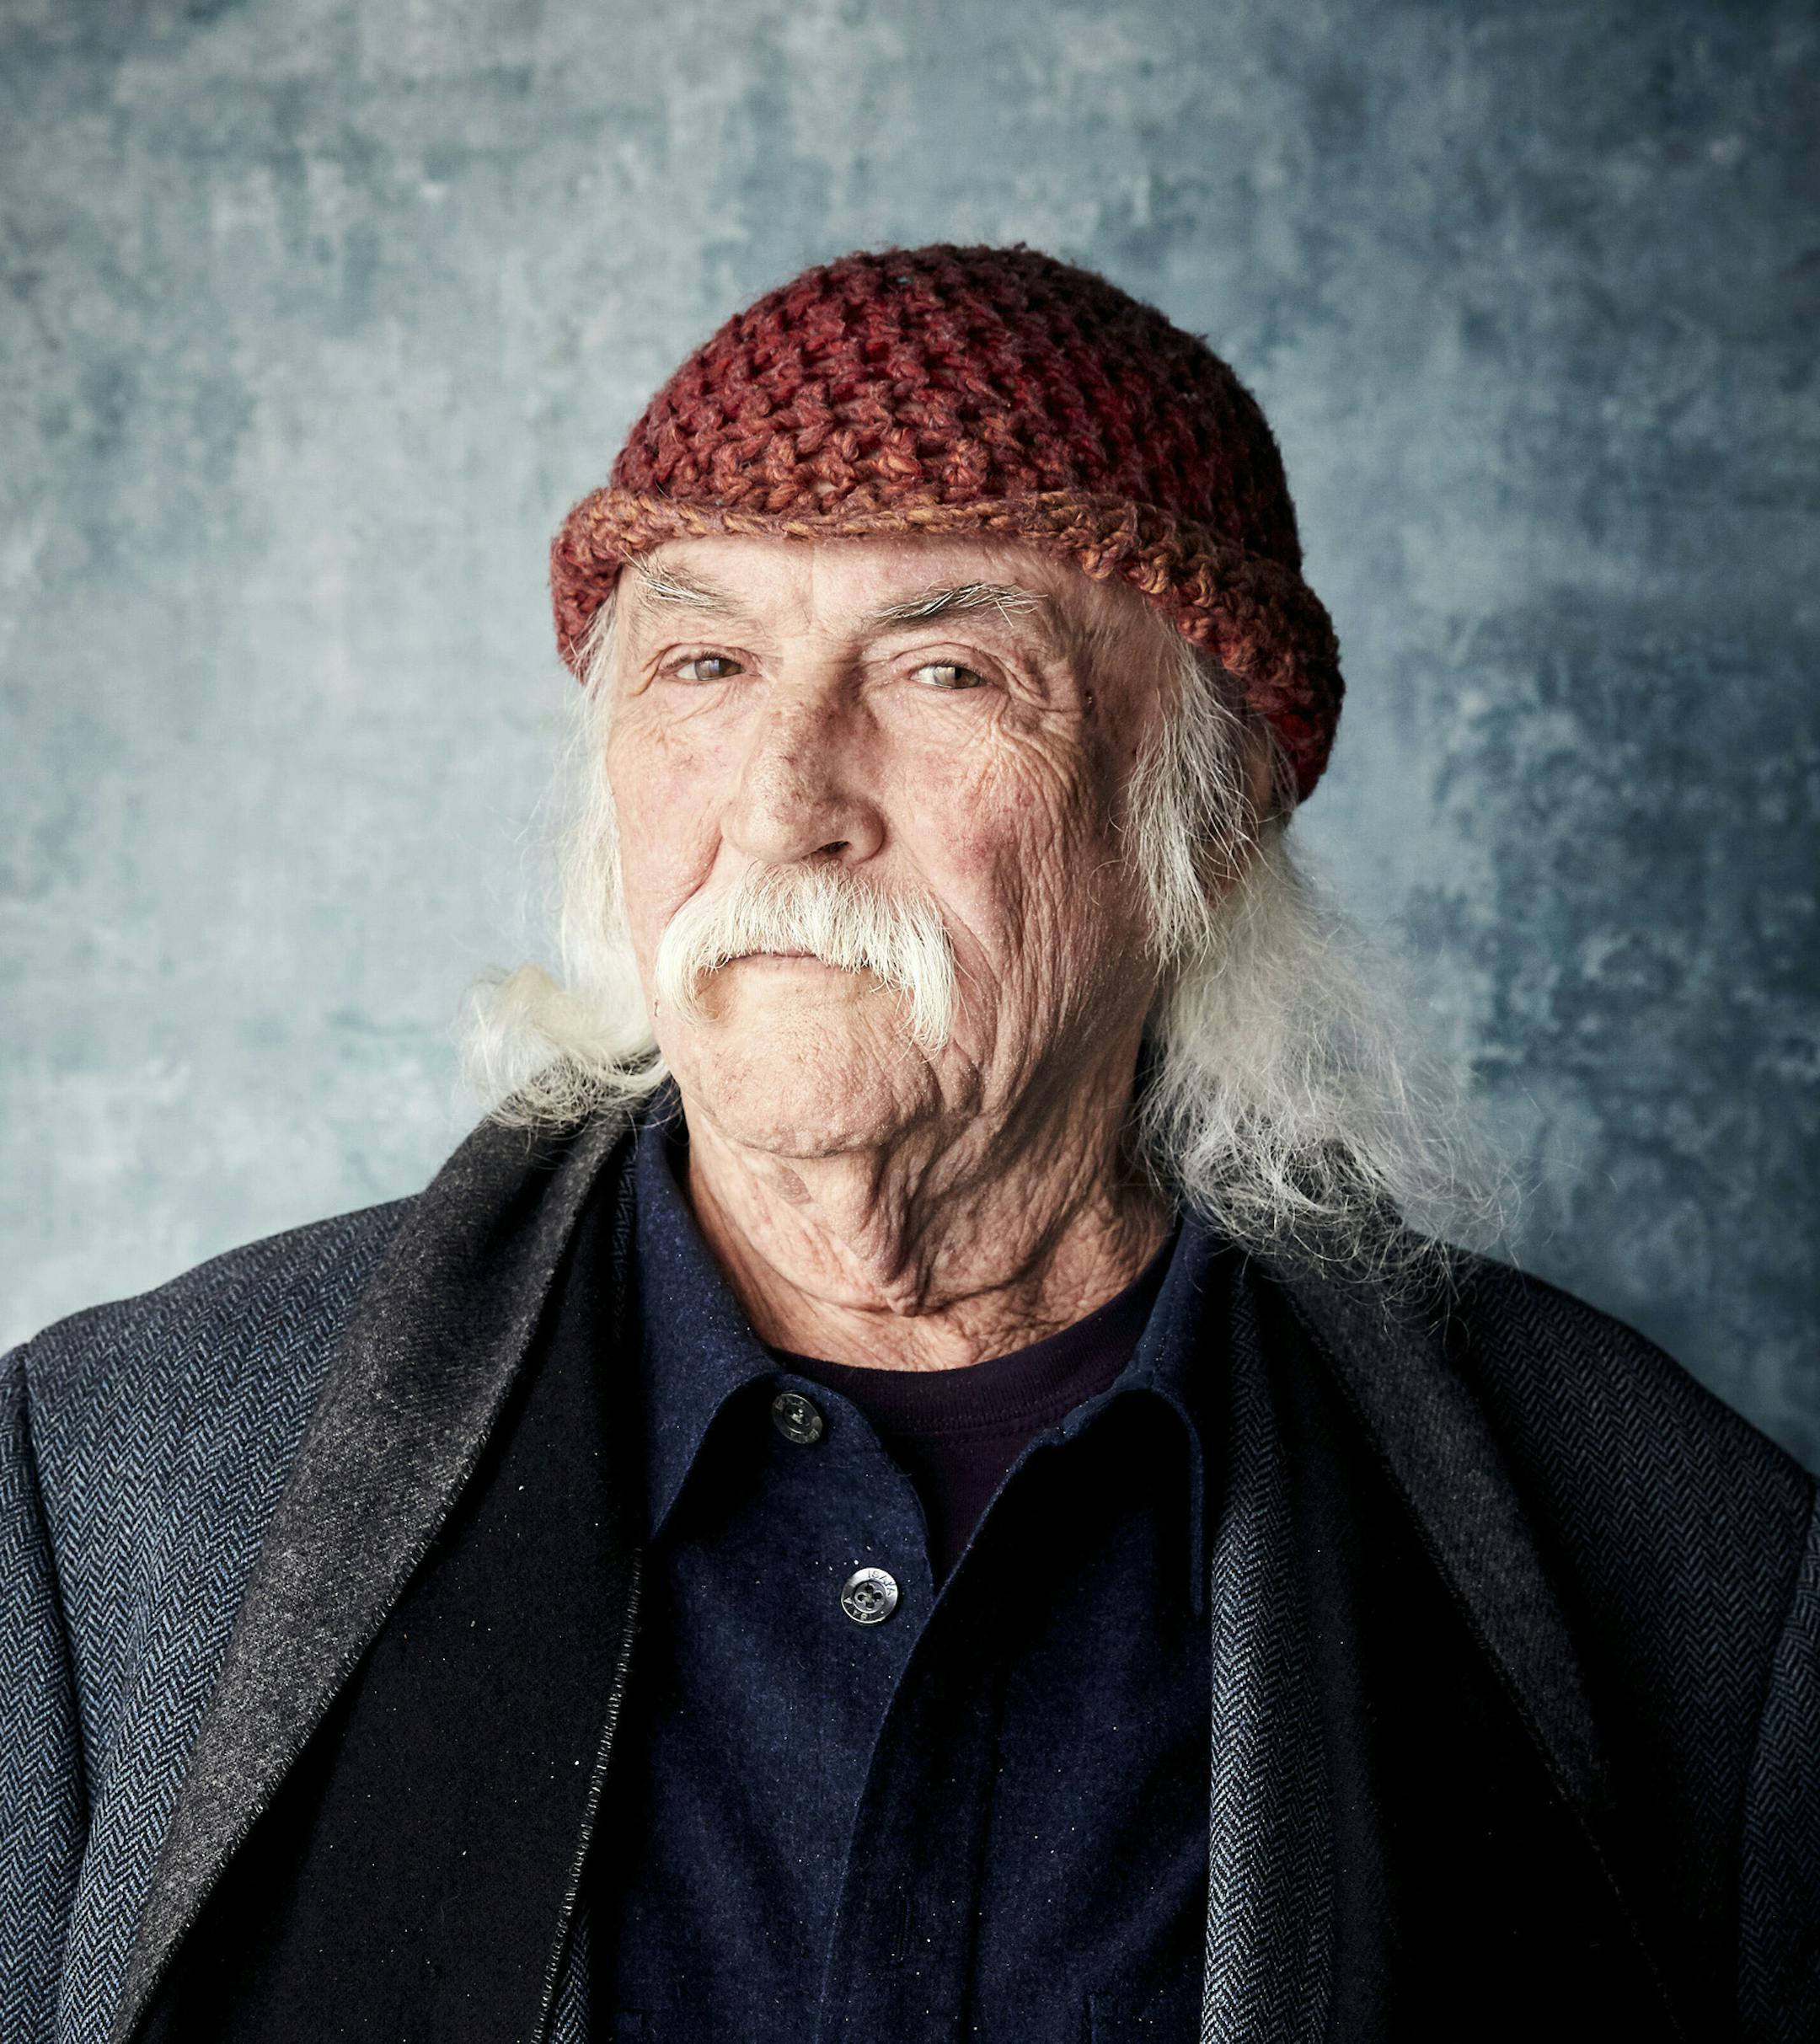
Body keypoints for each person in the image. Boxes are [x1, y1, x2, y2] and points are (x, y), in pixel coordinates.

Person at [3, 244, 1814, 2044]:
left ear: (1213, 813)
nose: (787, 803)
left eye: (944, 671)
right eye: (705, 661)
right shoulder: (108, 1499)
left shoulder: (1687, 1574)